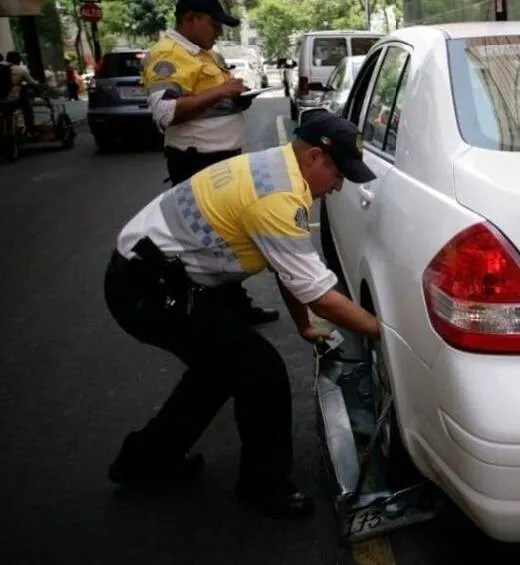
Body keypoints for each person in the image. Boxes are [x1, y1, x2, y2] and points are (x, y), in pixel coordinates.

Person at [104, 112, 381, 519]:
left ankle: (144, 461)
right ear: (316, 158)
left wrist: (304, 324)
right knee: (259, 371)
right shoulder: (277, 198)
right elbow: (320, 294)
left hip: (157, 276)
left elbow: (287, 266)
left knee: (217, 370)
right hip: (148, 289)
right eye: (339, 173)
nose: (339, 186)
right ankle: (263, 487)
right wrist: (385, 333)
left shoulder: (278, 168)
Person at [142, 0, 277, 325]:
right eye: (214, 25)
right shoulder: (167, 55)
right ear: (191, 19)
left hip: (219, 160)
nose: (219, 32)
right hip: (197, 163)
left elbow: (206, 102)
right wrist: (220, 93)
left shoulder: (202, 53)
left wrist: (233, 99)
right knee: (210, 242)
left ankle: (231, 307)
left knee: (225, 238)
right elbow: (164, 113)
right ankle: (212, 312)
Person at [2, 51, 40, 134]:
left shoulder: (2, 67)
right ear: (18, 59)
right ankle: (30, 129)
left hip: (1, 100)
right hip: (12, 100)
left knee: (6, 113)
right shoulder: (21, 70)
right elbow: (32, 83)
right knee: (27, 107)